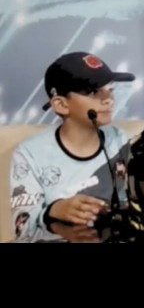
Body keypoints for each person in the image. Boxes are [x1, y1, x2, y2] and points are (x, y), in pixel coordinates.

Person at [9, 52, 136, 242]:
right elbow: (23, 231)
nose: (108, 99)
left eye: (110, 89)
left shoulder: (123, 142)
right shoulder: (30, 155)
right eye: (93, 92)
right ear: (61, 104)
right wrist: (54, 212)